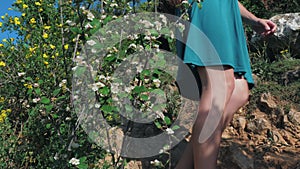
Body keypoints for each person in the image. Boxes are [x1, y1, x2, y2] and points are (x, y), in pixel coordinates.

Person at [169, 0, 277, 168]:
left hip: (225, 9)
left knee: (239, 91)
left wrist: (253, 20)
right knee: (218, 87)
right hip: (209, 6)